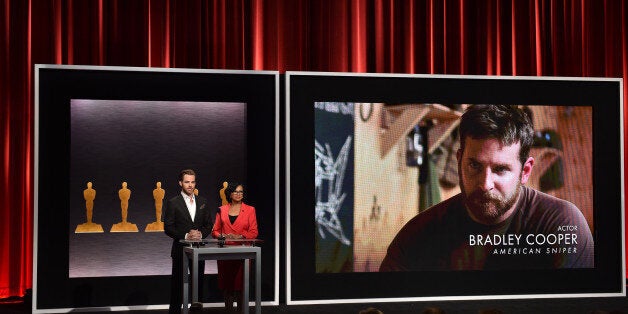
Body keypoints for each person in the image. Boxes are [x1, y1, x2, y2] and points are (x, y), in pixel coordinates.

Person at [380, 105, 594, 271]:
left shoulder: (561, 225)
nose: (485, 184)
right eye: (474, 165)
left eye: (500, 169)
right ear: (459, 160)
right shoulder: (418, 235)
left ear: (525, 171)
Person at [164, 169, 216, 314]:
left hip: (199, 250)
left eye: (192, 182)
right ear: (180, 183)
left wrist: (200, 234)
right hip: (180, 250)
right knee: (178, 286)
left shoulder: (203, 202)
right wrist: (186, 235)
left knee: (198, 286)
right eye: (187, 182)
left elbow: (208, 225)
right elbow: (168, 228)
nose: (190, 185)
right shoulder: (173, 202)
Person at [212, 182, 258, 313]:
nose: (239, 194)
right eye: (236, 191)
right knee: (227, 287)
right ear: (230, 194)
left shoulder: (250, 210)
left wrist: (240, 236)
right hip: (225, 253)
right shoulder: (222, 209)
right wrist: (223, 236)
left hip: (243, 253)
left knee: (241, 286)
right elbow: (215, 231)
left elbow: (254, 232)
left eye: (241, 192)